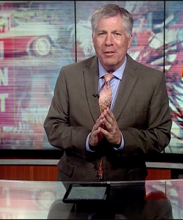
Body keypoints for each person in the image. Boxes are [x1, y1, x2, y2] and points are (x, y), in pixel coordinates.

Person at [43, 4, 172, 182]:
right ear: (93, 38)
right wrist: (88, 139)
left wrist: (122, 139)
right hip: (75, 184)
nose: (108, 42)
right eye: (102, 33)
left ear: (129, 39)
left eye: (117, 34)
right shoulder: (69, 75)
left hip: (128, 187)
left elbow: (161, 135)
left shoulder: (152, 80)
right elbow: (53, 127)